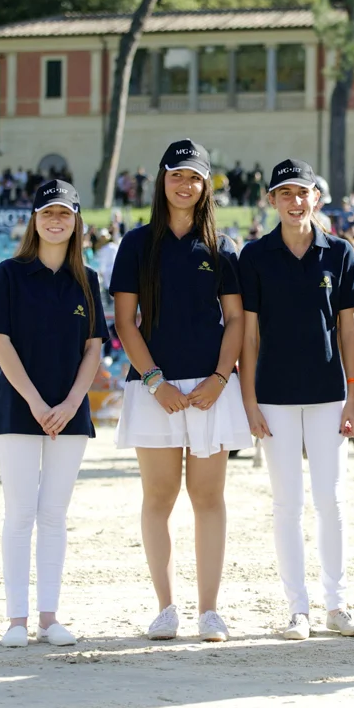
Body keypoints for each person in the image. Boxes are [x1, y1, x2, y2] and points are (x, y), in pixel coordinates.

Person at [110, 139, 251, 643]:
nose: (185, 185)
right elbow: (125, 323)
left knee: (208, 497)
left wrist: (218, 378)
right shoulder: (135, 244)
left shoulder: (222, 247)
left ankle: (210, 611)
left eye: (195, 177)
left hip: (212, 387)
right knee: (159, 496)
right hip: (154, 388)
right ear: (162, 181)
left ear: (206, 184)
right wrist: (154, 381)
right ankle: (165, 608)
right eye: (176, 175)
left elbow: (235, 319)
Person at [239, 159, 354, 642]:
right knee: (286, 504)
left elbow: (349, 332)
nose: (296, 202)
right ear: (271, 201)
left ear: (318, 198)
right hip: (272, 398)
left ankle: (336, 604)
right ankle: (299, 609)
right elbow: (248, 337)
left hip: (328, 396)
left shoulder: (340, 253)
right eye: (285, 193)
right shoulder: (253, 256)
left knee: (331, 501)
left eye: (304, 193)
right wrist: (249, 401)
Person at [0, 180, 107, 647]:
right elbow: (0, 340)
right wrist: (35, 401)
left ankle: (50, 617)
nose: (56, 221)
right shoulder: (9, 273)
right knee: (19, 514)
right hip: (19, 408)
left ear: (77, 222)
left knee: (54, 514)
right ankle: (16, 620)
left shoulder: (88, 279)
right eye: (48, 213)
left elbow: (95, 349)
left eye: (65, 214)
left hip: (70, 413)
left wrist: (72, 402)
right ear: (35, 219)